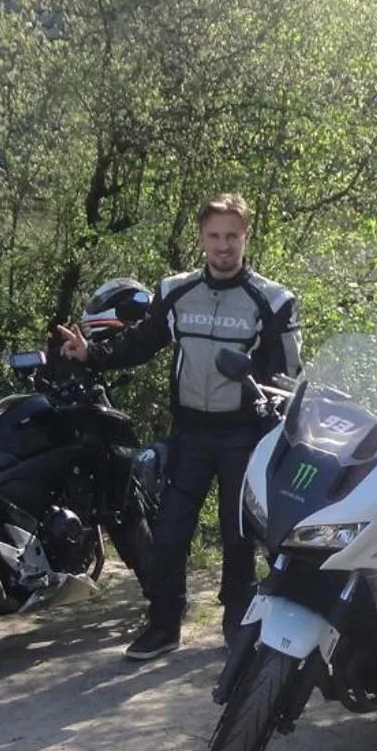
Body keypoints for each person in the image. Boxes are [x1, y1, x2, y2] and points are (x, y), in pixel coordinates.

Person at [58, 193, 302, 661]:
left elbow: (287, 376)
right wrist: (92, 354)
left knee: (237, 538)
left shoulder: (272, 300)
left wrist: (283, 431)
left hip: (243, 436)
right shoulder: (176, 291)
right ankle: (164, 625)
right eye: (214, 236)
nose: (223, 246)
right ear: (202, 239)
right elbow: (141, 342)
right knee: (169, 534)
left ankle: (236, 627)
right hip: (189, 433)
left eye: (232, 236)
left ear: (246, 237)